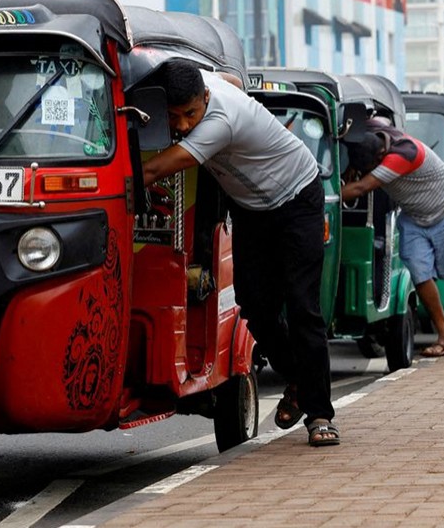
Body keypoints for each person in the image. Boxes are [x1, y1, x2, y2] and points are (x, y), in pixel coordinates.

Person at [141, 59, 338, 446]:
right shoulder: (210, 82)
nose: (181, 125)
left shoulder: (220, 121)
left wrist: (115, 176)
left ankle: (319, 415)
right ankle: (298, 379)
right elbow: (231, 78)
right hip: (252, 209)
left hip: (298, 196)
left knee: (302, 306)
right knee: (254, 304)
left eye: (190, 114)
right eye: (174, 116)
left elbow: (161, 166)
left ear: (207, 99)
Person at [341, 117, 444, 357]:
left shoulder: (404, 154)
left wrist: (319, 195)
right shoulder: (375, 131)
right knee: (419, 273)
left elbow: (360, 188)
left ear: (378, 160)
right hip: (414, 216)